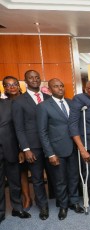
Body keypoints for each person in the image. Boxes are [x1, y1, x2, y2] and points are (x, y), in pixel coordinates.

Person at [37, 78, 84, 220]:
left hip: (73, 148)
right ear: (50, 90)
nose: (60, 88)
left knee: (74, 177)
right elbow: (42, 132)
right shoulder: (43, 106)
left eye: (62, 85)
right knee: (60, 180)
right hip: (56, 150)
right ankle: (63, 206)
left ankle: (74, 202)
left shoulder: (71, 103)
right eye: (56, 86)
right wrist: (50, 153)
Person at [12, 70, 50, 220]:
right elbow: (19, 128)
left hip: (50, 145)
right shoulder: (19, 101)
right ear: (25, 81)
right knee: (37, 178)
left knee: (55, 175)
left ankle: (60, 201)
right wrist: (25, 148)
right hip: (33, 146)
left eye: (37, 77)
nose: (34, 80)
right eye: (31, 78)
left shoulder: (48, 98)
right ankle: (43, 206)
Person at [0, 78, 32, 224]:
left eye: (14, 84)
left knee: (14, 181)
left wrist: (21, 149)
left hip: (11, 148)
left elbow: (18, 127)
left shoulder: (11, 104)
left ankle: (17, 208)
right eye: (8, 85)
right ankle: (1, 212)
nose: (11, 87)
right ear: (5, 88)